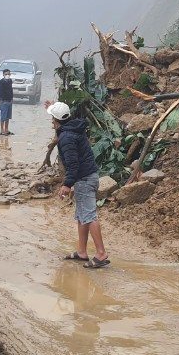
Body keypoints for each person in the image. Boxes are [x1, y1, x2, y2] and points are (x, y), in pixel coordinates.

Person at [48, 101, 109, 268]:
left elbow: (73, 165)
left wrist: (67, 185)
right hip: (88, 176)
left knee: (89, 216)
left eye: (52, 118)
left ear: (56, 119)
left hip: (84, 179)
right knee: (82, 215)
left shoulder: (66, 138)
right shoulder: (74, 127)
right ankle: (82, 251)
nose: (51, 121)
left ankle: (101, 253)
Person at [0, 68, 15, 136]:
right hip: (4, 102)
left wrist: (11, 98)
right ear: (3, 75)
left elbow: (10, 90)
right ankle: (2, 130)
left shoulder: (10, 81)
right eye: (6, 74)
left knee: (8, 117)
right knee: (3, 117)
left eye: (8, 74)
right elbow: (1, 93)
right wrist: (3, 100)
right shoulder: (1, 82)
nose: (7, 75)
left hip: (10, 101)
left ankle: (6, 129)